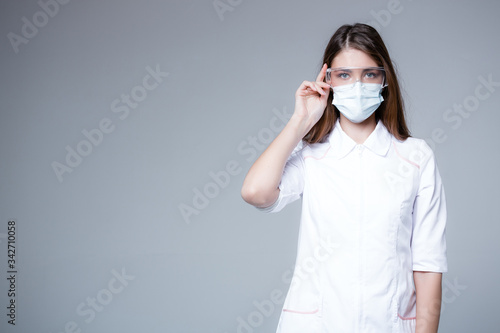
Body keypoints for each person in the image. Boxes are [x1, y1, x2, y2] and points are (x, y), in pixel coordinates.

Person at [241, 23, 447, 333]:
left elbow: (429, 264)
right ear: (328, 81)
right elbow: (256, 192)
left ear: (384, 79)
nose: (358, 84)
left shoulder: (416, 157)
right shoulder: (312, 155)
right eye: (344, 75)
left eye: (369, 74)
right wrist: (301, 121)